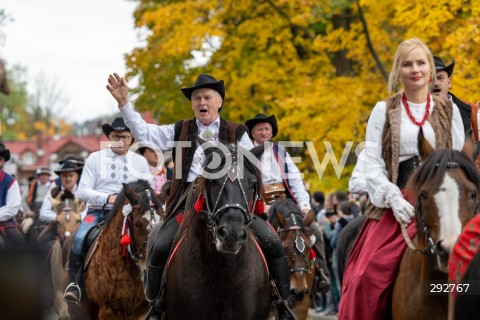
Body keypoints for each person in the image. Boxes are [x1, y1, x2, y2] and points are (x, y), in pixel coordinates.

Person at [106, 73, 296, 319]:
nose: (201, 102)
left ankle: (284, 304)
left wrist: (256, 201)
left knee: (272, 240)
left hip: (231, 198)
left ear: (219, 103)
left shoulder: (238, 132)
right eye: (196, 98)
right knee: (158, 241)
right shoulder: (179, 129)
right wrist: (124, 103)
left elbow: (252, 169)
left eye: (207, 97)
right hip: (188, 202)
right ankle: (156, 307)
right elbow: (144, 133)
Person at [338, 38, 465, 319]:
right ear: (398, 70)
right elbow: (371, 163)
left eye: (421, 63)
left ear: (430, 69)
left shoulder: (450, 111)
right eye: (407, 64)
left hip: (441, 203)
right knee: (366, 277)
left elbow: (457, 162)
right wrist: (392, 196)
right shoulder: (383, 110)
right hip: (396, 205)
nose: (415, 69)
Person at [63, 117, 153, 303]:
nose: (120, 140)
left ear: (131, 139)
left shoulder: (140, 162)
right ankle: (75, 284)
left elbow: (148, 190)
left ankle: (155, 287)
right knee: (78, 239)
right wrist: (107, 198)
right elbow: (82, 191)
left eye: (125, 136)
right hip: (99, 212)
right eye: (116, 136)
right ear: (109, 137)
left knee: (155, 239)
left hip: (132, 213)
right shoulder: (95, 158)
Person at [245, 113, 331, 293]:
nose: (263, 132)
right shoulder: (246, 154)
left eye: (267, 128)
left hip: (285, 204)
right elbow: (244, 184)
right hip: (259, 206)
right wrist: (260, 203)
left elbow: (296, 180)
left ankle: (321, 274)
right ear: (252, 133)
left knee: (313, 230)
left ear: (272, 132)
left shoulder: (282, 152)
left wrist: (305, 206)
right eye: (259, 129)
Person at [37, 159, 86, 252]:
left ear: (77, 176)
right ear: (60, 177)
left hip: (80, 227)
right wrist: (60, 218)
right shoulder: (53, 192)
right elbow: (43, 213)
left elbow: (88, 211)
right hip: (57, 228)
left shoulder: (83, 192)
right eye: (64, 176)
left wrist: (77, 218)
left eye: (71, 175)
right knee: (42, 241)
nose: (68, 179)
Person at [430, 55, 479, 141]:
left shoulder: (471, 109)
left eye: (440, 78)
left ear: (449, 82)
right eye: (431, 79)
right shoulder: (415, 112)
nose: (436, 83)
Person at [0, 142, 25, 249]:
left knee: (22, 247)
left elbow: (12, 208)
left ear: (1, 161)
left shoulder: (10, 181)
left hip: (4, 223)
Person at [21, 167, 52, 234]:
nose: (44, 177)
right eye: (42, 175)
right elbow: (23, 200)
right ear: (38, 176)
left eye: (46, 175)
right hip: (34, 214)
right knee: (26, 227)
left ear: (49, 176)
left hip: (49, 214)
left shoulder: (54, 186)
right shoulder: (31, 185)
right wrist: (28, 211)